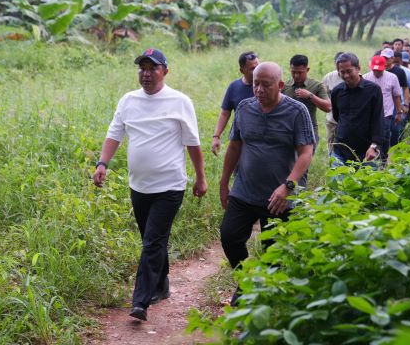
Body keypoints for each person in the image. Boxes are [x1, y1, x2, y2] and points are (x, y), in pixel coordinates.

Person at [92, 48, 207, 321]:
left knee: (152, 242)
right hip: (139, 186)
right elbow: (114, 134)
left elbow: (193, 143)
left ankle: (141, 301)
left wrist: (201, 177)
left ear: (165, 71)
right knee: (152, 239)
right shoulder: (128, 101)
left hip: (170, 186)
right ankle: (162, 283)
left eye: (152, 68)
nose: (145, 73)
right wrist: (102, 164)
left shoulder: (179, 101)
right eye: (142, 68)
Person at [219, 61, 315, 305]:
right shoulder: (243, 108)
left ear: (281, 85)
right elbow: (234, 147)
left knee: (274, 252)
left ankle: (266, 303)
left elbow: (306, 153)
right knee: (229, 237)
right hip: (244, 190)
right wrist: (223, 182)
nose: (259, 90)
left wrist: (288, 186)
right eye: (255, 84)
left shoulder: (297, 111)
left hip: (279, 198)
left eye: (266, 85)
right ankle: (246, 282)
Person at [330, 53, 384, 165]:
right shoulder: (337, 91)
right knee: (337, 182)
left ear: (358, 68)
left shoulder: (373, 90)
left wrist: (374, 146)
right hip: (340, 150)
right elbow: (337, 117)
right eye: (342, 72)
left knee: (366, 182)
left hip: (367, 152)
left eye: (349, 71)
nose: (346, 75)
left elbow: (378, 120)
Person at [211, 51, 259, 156]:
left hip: (262, 140)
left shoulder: (267, 86)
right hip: (240, 140)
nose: (256, 70)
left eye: (258, 66)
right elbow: (225, 113)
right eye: (252, 68)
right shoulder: (234, 87)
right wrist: (216, 136)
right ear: (242, 70)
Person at [282, 54, 331, 149]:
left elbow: (328, 107)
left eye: (300, 72)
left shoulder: (317, 86)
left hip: (309, 132)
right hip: (288, 132)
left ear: (307, 70)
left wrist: (310, 96)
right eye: (293, 72)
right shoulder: (285, 86)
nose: (296, 76)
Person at [363, 55, 403, 162]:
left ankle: (383, 160)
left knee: (384, 137)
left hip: (386, 113)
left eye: (379, 70)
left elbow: (396, 96)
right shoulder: (365, 78)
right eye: (374, 70)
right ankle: (370, 160)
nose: (376, 72)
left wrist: (399, 113)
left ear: (384, 66)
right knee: (369, 136)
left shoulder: (392, 77)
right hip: (369, 114)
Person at [322, 52, 344, 153]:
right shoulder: (328, 77)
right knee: (331, 144)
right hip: (331, 119)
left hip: (348, 120)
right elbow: (323, 95)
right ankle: (333, 165)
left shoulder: (353, 77)